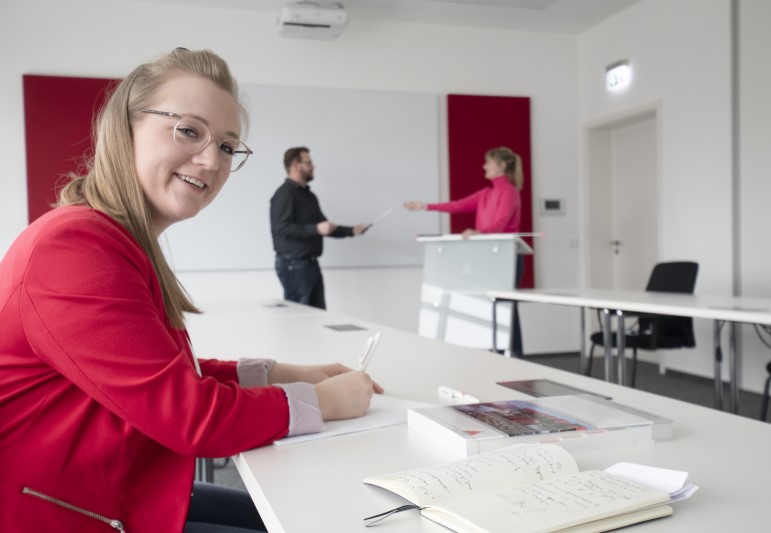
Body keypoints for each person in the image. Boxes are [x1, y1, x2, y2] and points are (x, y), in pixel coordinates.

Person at [0, 48, 381, 533]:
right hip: (64, 510)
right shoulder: (73, 248)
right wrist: (322, 401)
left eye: (226, 146)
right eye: (189, 131)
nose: (209, 160)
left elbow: (166, 376)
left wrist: (285, 372)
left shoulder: (113, 239)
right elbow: (191, 416)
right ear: (126, 128)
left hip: (113, 483)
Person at [404, 146, 525, 356]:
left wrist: (479, 232)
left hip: (507, 259)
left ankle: (515, 355)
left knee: (505, 310)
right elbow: (457, 206)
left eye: (488, 162)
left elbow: (499, 223)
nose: (484, 166)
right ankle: (494, 354)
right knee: (489, 309)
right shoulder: (487, 193)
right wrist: (425, 206)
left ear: (502, 166)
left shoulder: (509, 192)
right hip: (487, 258)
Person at [270, 147, 367, 310]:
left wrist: (352, 231)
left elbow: (324, 226)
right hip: (293, 265)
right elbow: (282, 229)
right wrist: (316, 229)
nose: (313, 166)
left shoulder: (309, 196)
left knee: (318, 315)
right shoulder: (285, 194)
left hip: (310, 264)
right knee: (298, 318)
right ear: (296, 165)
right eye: (309, 162)